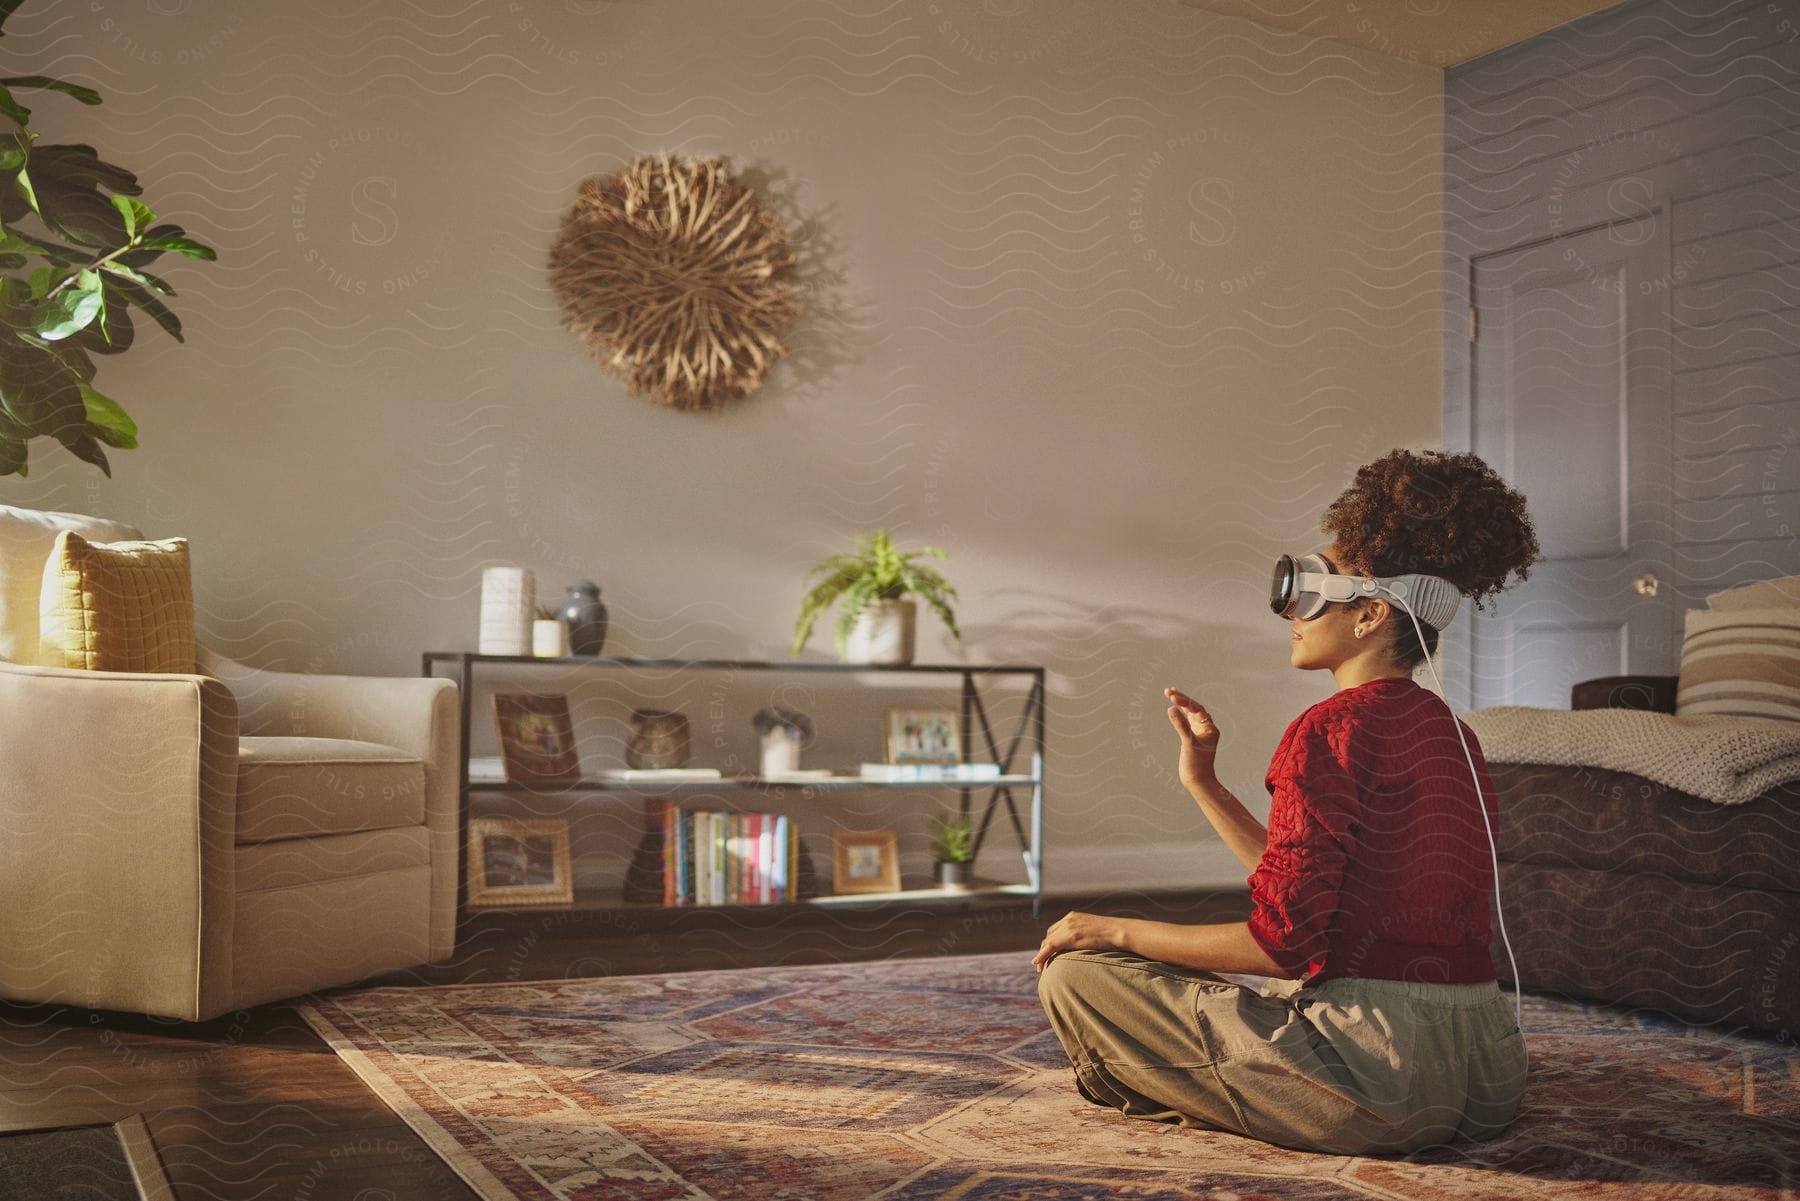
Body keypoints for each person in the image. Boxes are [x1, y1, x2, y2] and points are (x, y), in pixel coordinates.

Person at [1035, 448, 1542, 1155]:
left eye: (1309, 590)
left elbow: (1279, 946)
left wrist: (1110, 929)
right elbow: (1307, 891)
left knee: (1076, 976)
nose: (1290, 613)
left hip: (1372, 1085)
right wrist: (1203, 782)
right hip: (1488, 1078)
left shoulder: (1329, 729)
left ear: (1369, 613)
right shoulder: (1455, 735)